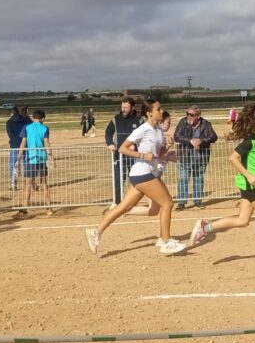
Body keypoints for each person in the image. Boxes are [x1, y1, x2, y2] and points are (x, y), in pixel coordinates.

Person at [189, 104, 255, 271]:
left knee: (242, 220)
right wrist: (249, 175)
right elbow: (233, 158)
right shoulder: (250, 140)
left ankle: (205, 227)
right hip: (249, 185)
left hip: (252, 184)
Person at [86, 98, 187, 256]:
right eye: (158, 109)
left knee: (125, 207)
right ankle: (165, 241)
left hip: (146, 173)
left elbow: (158, 155)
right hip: (142, 173)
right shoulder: (143, 129)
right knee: (167, 203)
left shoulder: (158, 131)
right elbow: (122, 148)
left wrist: (167, 146)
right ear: (149, 113)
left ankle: (95, 232)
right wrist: (142, 155)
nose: (161, 111)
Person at [172, 105, 218, 210]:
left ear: (198, 116)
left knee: (198, 179)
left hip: (200, 157)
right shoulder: (183, 122)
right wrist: (190, 141)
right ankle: (181, 202)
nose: (188, 116)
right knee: (183, 179)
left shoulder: (206, 124)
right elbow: (177, 136)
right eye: (187, 114)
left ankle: (197, 201)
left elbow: (213, 137)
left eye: (191, 115)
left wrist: (201, 141)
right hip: (185, 157)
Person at [105, 97, 142, 205]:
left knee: (134, 180)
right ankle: (118, 203)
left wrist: (135, 146)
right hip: (118, 156)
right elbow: (108, 133)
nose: (123, 109)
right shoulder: (115, 119)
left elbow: (143, 136)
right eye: (122, 107)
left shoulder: (139, 120)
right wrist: (110, 144)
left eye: (126, 107)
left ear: (132, 107)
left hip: (133, 157)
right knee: (118, 180)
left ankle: (131, 202)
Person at [17, 110, 53, 215]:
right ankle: (48, 208)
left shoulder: (26, 127)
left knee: (28, 184)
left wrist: (18, 156)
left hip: (30, 159)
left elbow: (23, 143)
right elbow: (47, 143)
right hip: (42, 158)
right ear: (43, 118)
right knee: (44, 183)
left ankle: (25, 207)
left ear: (33, 118)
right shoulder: (45, 128)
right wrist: (51, 157)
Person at [5, 106, 28, 190]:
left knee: (13, 165)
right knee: (27, 164)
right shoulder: (26, 120)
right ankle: (30, 183)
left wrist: (16, 144)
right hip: (25, 145)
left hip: (14, 146)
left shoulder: (9, 122)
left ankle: (13, 184)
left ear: (12, 113)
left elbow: (10, 135)